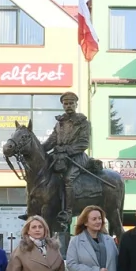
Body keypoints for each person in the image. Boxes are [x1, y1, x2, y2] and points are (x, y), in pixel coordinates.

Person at [41, 91, 92, 220]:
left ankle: (68, 212)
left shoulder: (83, 123)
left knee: (68, 179)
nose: (68, 106)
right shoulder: (59, 123)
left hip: (77, 157)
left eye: (71, 103)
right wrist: (38, 149)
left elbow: (84, 143)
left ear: (76, 104)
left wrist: (66, 150)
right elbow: (51, 141)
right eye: (66, 104)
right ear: (63, 105)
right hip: (59, 158)